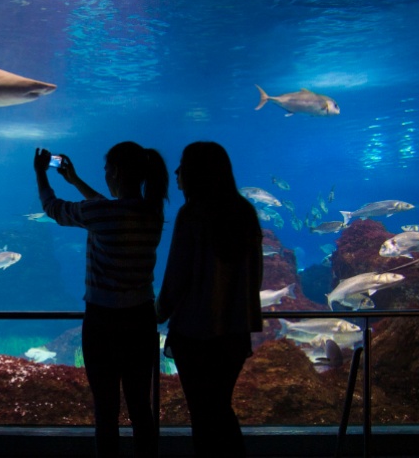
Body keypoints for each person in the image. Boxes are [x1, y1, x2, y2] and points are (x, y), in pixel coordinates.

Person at [34, 143, 167, 457]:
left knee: (105, 411)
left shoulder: (102, 212)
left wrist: (42, 174)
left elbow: (52, 208)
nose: (105, 175)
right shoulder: (152, 212)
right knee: (140, 409)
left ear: (116, 172)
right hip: (141, 320)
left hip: (103, 321)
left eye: (107, 169)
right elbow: (108, 208)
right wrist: (76, 180)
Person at [156, 141, 263, 457]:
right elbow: (255, 277)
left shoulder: (192, 214)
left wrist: (158, 312)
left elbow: (176, 276)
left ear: (197, 172)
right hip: (234, 332)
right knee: (219, 408)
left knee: (203, 415)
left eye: (182, 165)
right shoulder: (245, 212)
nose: (176, 172)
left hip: (194, 332)